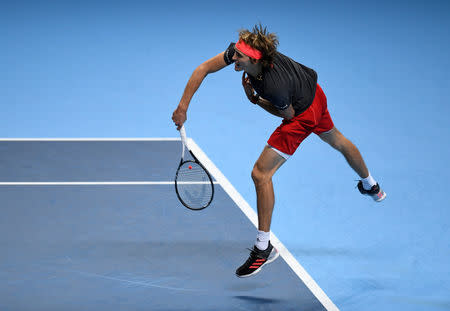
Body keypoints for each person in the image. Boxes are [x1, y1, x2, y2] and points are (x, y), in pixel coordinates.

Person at [172, 24, 386, 278]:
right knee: (337, 140)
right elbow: (203, 69)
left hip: (302, 112)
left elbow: (288, 115)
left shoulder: (274, 87)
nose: (233, 58)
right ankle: (371, 185)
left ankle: (263, 247)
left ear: (255, 59)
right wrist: (183, 107)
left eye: (239, 56)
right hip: (316, 93)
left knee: (260, 174)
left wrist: (255, 100)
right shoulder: (243, 55)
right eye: (235, 53)